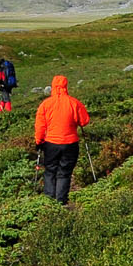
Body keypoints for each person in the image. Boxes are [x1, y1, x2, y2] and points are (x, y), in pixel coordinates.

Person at [33, 74, 90, 204]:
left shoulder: (45, 104)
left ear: (53, 86)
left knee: (50, 171)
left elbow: (40, 126)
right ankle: (61, 201)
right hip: (70, 143)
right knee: (64, 172)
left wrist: (39, 142)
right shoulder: (74, 103)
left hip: (51, 143)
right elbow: (84, 121)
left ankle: (49, 200)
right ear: (65, 86)